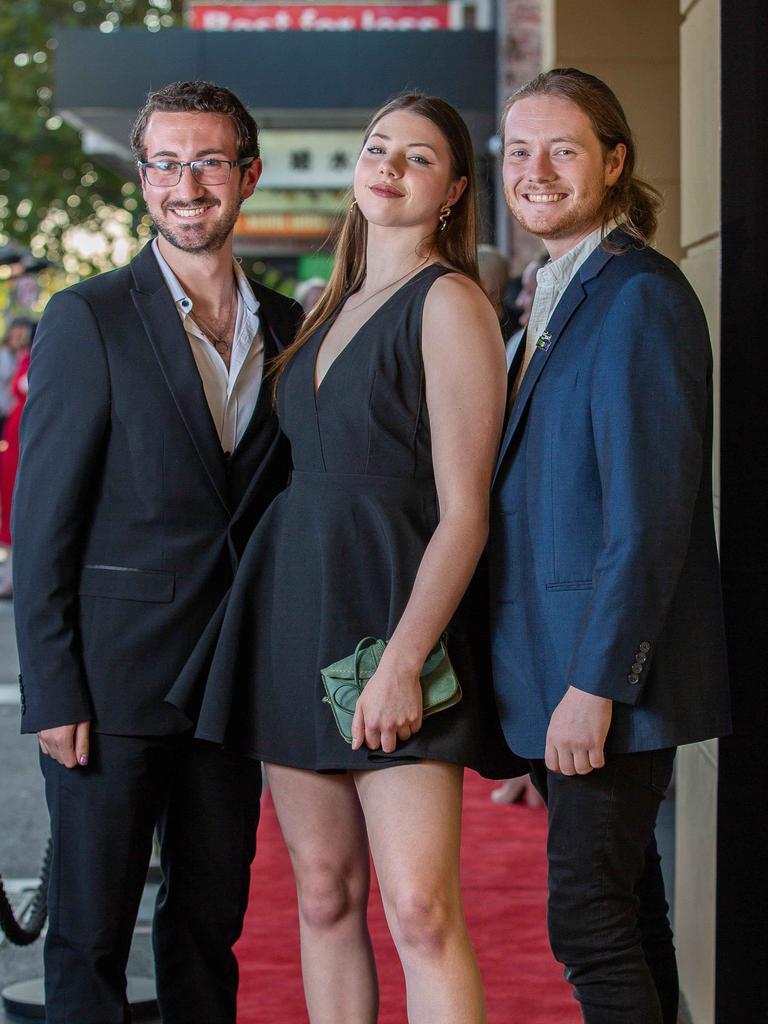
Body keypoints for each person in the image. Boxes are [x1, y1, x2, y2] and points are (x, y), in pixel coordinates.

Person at [169, 93, 521, 1024]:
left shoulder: (449, 303)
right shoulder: (329, 304)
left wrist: (404, 663)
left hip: (394, 625)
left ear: (452, 191)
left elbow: (466, 513)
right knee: (323, 898)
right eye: (377, 149)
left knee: (419, 908)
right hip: (294, 616)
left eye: (418, 157)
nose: (388, 168)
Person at [12, 80, 302, 1024]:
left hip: (232, 687)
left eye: (209, 161)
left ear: (247, 174)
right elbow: (43, 523)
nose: (187, 184)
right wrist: (54, 690)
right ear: (143, 179)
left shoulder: (292, 326)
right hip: (111, 686)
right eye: (165, 163)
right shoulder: (85, 318)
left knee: (207, 930)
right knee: (90, 937)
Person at [489, 67, 731, 1023]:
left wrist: (595, 686)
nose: (535, 170)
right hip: (566, 676)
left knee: (588, 923)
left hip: (608, 679)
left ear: (615, 160)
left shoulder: (638, 297)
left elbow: (650, 518)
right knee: (630, 912)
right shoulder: (554, 291)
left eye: (563, 149)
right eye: (518, 150)